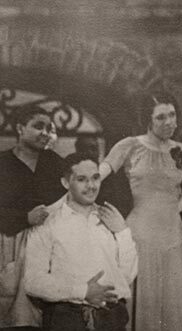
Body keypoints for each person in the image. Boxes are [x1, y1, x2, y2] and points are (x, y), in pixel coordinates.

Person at [99, 92, 182, 331]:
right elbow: (98, 174)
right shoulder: (130, 145)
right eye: (161, 117)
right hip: (140, 233)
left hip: (172, 235)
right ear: (148, 119)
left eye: (173, 115)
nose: (169, 122)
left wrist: (174, 207)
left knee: (173, 300)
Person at [23, 153, 138, 331]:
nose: (91, 186)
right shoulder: (48, 223)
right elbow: (33, 281)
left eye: (95, 178)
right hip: (67, 319)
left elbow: (127, 276)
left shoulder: (111, 219)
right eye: (82, 179)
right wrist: (83, 291)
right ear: (66, 183)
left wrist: (123, 232)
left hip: (111, 317)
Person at [0, 105, 65, 330]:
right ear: (20, 128)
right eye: (38, 126)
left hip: (47, 248)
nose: (45, 132)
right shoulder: (3, 163)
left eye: (49, 128)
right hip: (9, 245)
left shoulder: (55, 163)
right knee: (12, 315)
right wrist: (24, 217)